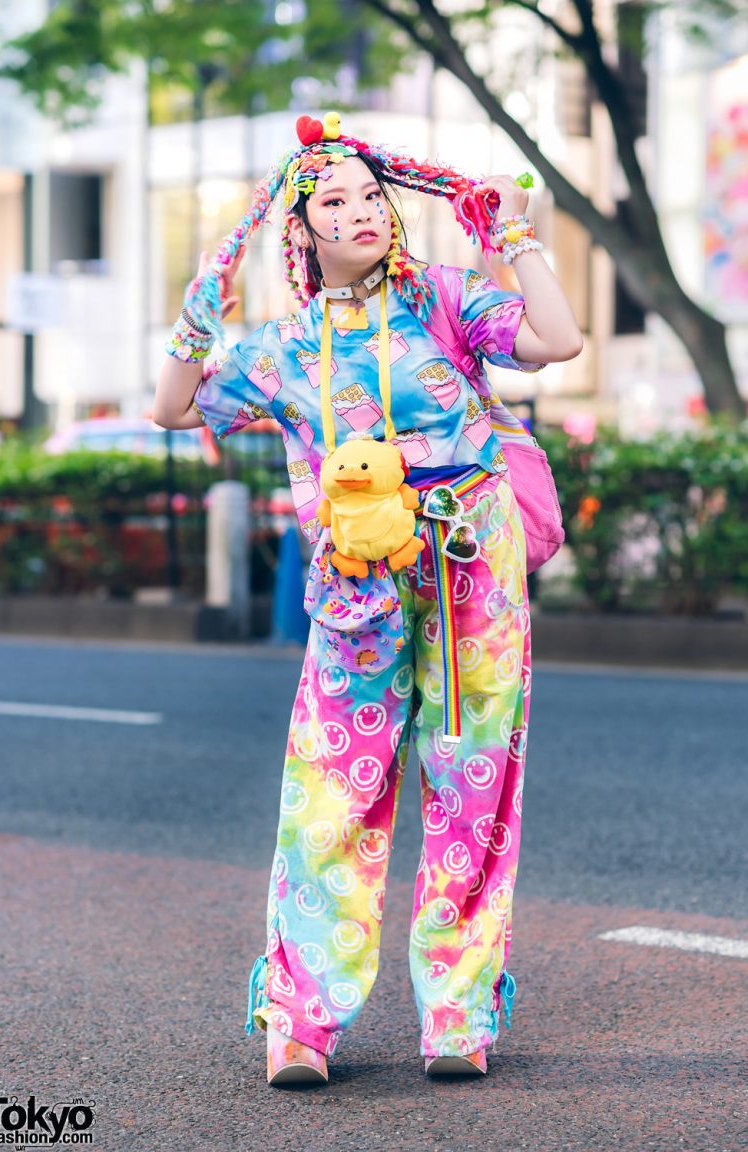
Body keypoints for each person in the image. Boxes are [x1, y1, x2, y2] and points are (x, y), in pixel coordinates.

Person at [153, 112, 582, 1086]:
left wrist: (508, 235)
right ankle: (302, 1023)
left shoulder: (444, 299)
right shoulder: (285, 346)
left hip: (473, 575)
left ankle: (459, 1016)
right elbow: (171, 407)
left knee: (473, 785)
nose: (361, 211)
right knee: (331, 796)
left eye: (369, 194)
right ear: (297, 234)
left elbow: (559, 340)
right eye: (332, 200)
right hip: (356, 595)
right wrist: (198, 312)